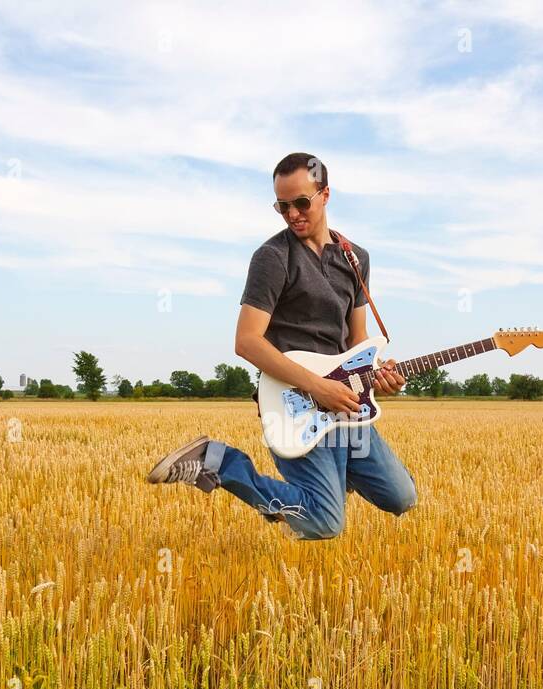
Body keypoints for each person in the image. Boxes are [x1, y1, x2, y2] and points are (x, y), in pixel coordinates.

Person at [146, 152, 417, 540]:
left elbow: (358, 340)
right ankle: (219, 462)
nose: (292, 214)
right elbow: (247, 341)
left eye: (301, 203)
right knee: (325, 524)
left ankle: (330, 483)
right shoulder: (272, 258)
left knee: (402, 497)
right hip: (295, 403)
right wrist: (316, 385)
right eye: (282, 206)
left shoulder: (356, 259)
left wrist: (381, 378)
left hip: (345, 403)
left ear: (325, 195)